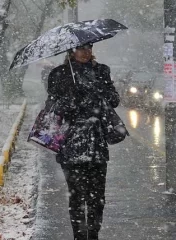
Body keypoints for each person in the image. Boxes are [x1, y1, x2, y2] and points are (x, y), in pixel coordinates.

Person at [46, 43, 120, 240]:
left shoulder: (101, 71)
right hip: (71, 144)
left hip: (97, 143)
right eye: (80, 48)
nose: (85, 52)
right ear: (71, 51)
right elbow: (52, 107)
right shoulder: (59, 74)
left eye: (88, 47)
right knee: (77, 198)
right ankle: (79, 236)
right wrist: (71, 100)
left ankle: (93, 234)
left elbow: (114, 100)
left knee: (97, 198)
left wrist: (99, 91)